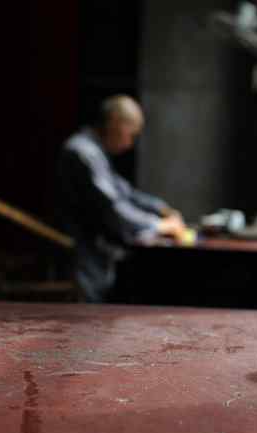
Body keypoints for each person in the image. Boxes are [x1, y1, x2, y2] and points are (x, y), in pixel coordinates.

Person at [56, 95, 186, 302]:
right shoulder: (83, 152)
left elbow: (125, 192)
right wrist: (160, 225)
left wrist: (161, 209)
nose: (130, 144)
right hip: (81, 255)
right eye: (131, 134)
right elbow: (113, 209)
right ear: (116, 122)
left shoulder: (94, 150)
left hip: (96, 252)